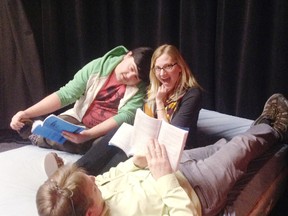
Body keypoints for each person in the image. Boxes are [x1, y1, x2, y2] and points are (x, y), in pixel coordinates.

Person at [36, 93, 288, 216]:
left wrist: (137, 161)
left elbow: (117, 172)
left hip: (172, 165)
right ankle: (275, 129)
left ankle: (262, 127)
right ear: (90, 213)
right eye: (93, 186)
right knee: (241, 148)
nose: (94, 179)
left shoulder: (91, 190)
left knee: (225, 144)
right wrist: (165, 177)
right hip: (197, 191)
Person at [67, 44, 203, 176]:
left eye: (168, 66)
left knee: (121, 159)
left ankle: (79, 179)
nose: (162, 73)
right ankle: (72, 174)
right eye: (158, 68)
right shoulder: (152, 91)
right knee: (120, 133)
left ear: (180, 67)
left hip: (173, 152)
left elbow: (171, 137)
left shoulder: (192, 94)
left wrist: (160, 103)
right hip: (149, 144)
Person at [10, 45, 153, 154]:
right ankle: (40, 136)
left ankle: (49, 142)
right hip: (78, 118)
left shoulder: (140, 89)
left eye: (136, 77)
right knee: (56, 129)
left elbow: (125, 116)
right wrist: (27, 113)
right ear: (127, 56)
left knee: (108, 145)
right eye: (131, 69)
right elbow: (66, 94)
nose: (129, 76)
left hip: (104, 131)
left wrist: (89, 134)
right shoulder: (97, 66)